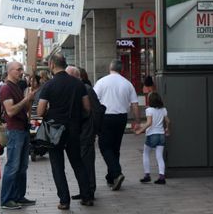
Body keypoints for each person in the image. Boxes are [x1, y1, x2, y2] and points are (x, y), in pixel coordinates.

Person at [37, 54, 93, 210]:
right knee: (78, 163)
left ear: (52, 65)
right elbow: (87, 108)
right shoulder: (78, 83)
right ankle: (87, 196)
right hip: (74, 128)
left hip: (55, 130)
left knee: (57, 166)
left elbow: (41, 111)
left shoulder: (49, 85)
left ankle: (64, 200)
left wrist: (51, 111)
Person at [94, 59, 140, 191]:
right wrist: (137, 122)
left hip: (106, 117)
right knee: (115, 148)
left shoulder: (102, 82)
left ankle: (117, 172)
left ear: (110, 68)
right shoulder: (127, 84)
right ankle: (111, 177)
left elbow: (94, 100)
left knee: (105, 147)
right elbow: (135, 104)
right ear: (122, 69)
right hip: (121, 118)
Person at [0, 61, 36, 210]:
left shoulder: (17, 86)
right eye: (18, 69)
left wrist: (29, 100)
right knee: (13, 166)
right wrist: (26, 99)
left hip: (23, 129)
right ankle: (7, 199)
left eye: (22, 69)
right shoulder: (6, 88)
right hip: (15, 130)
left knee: (22, 166)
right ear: (10, 71)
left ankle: (19, 196)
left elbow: (24, 109)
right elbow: (11, 111)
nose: (21, 72)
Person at [66, 66, 105, 201]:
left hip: (86, 133)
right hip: (79, 133)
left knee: (87, 162)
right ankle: (85, 190)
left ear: (74, 76)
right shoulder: (77, 89)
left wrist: (94, 131)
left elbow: (96, 111)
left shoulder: (86, 89)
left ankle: (89, 190)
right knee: (81, 163)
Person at [135, 92, 170, 185]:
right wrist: (167, 129)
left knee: (146, 153)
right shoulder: (163, 109)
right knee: (159, 156)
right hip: (161, 135)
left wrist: (140, 131)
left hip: (152, 135)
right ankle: (162, 177)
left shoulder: (149, 110)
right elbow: (168, 121)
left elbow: (149, 123)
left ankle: (147, 175)